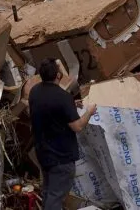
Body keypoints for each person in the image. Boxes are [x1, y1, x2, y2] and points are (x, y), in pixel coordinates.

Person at [27, 58, 96, 210]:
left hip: (43, 153)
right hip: (61, 157)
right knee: (56, 196)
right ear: (58, 75)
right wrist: (89, 112)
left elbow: (48, 109)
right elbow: (77, 127)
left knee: (48, 191)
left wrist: (71, 104)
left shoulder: (35, 92)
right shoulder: (62, 97)